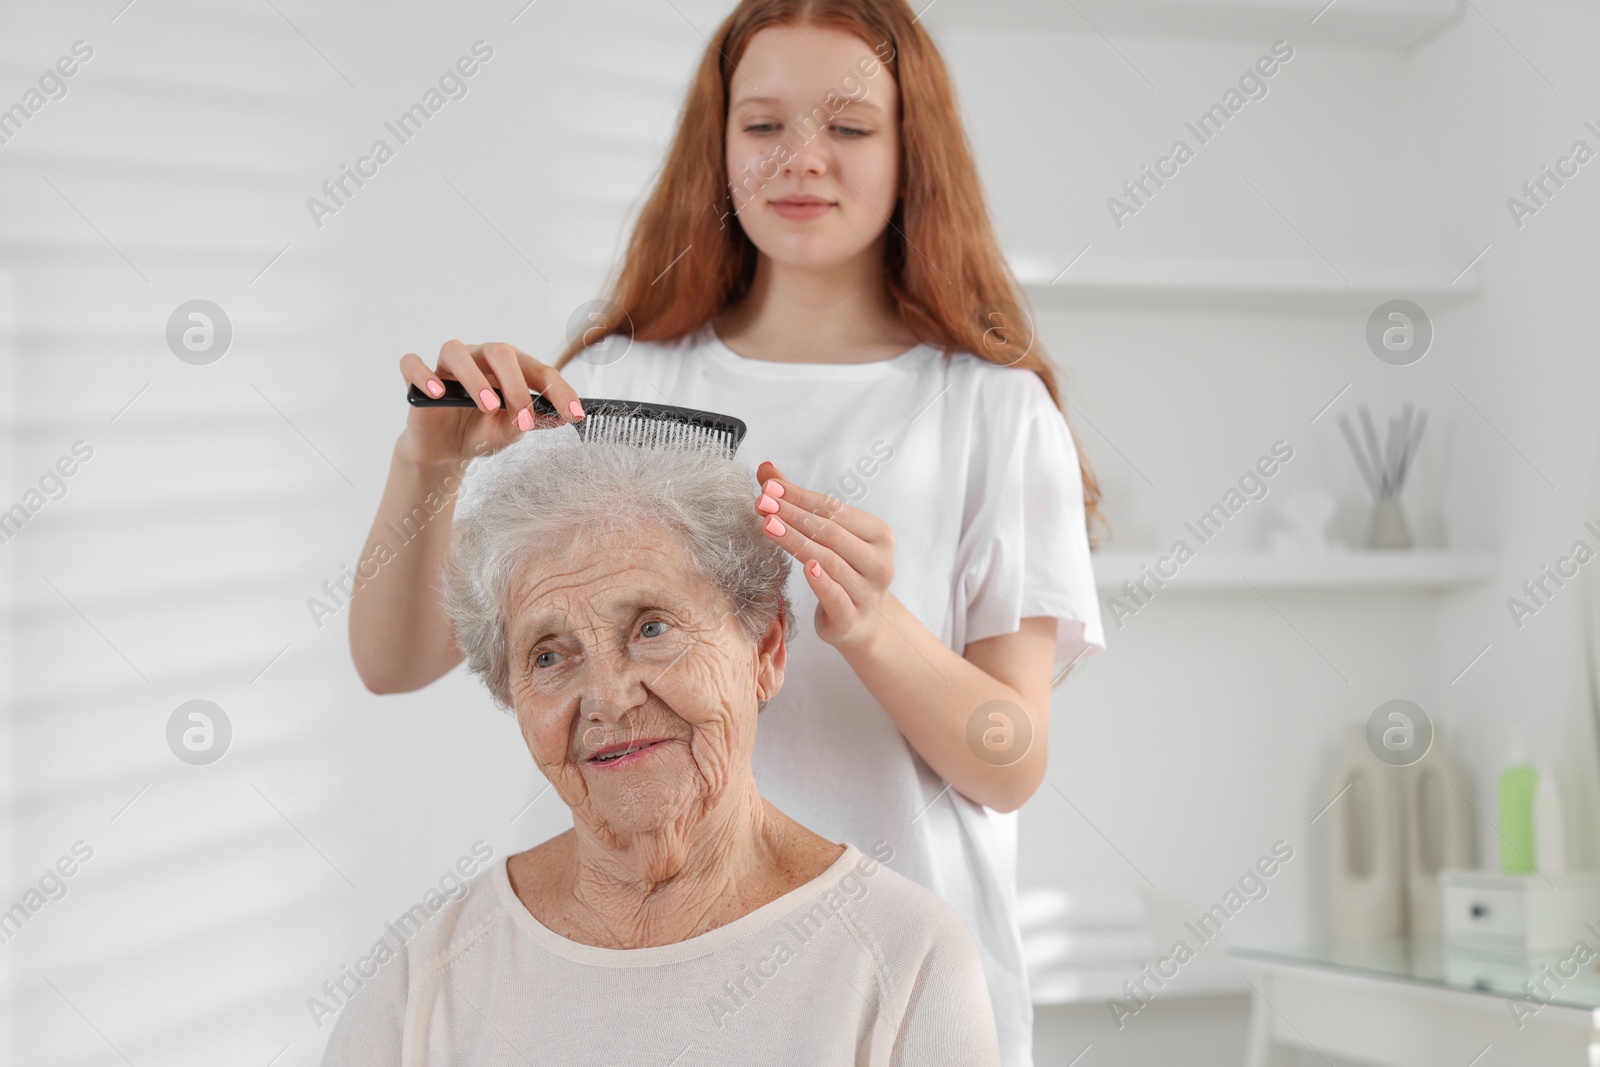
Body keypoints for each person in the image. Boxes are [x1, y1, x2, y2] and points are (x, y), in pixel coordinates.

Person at [348, 2, 1105, 1061]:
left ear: (910, 150)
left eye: (848, 127)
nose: (802, 159)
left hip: (876, 990)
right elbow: (395, 661)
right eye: (762, 126)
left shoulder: (992, 410)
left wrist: (874, 626)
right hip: (619, 960)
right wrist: (424, 467)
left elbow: (1008, 759)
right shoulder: (619, 380)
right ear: (717, 147)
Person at [322, 437, 999, 1065]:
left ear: (766, 650)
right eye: (550, 654)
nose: (610, 696)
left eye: (651, 626)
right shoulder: (427, 974)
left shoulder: (904, 957)